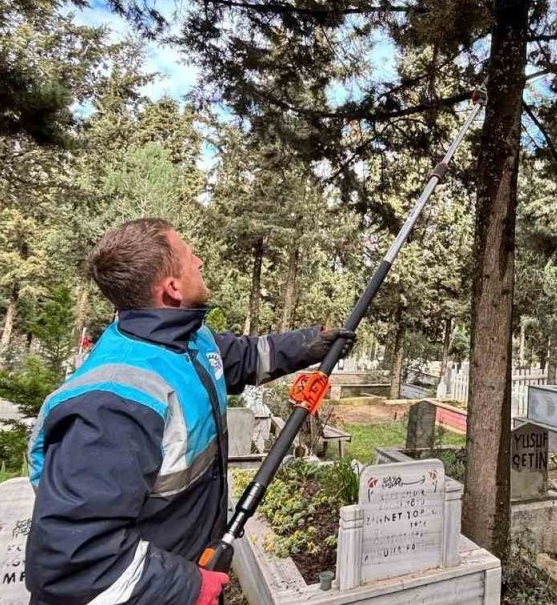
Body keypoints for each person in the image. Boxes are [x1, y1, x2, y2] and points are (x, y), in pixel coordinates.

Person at [25, 218, 352, 605]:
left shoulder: (188, 341)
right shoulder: (113, 403)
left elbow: (244, 358)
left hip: (183, 561)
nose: (199, 260)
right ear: (172, 288)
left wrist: (311, 344)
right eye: (188, 256)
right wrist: (190, 587)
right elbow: (74, 561)